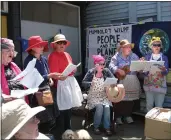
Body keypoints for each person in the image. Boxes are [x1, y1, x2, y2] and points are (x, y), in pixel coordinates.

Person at [24, 36, 60, 134]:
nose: (42, 47)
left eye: (42, 45)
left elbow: (47, 72)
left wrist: (51, 78)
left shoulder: (43, 59)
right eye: (39, 45)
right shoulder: (29, 60)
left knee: (52, 119)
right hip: (37, 95)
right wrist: (49, 76)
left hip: (47, 92)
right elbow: (32, 79)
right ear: (32, 48)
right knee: (42, 121)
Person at [48, 34, 83, 135]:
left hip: (69, 83)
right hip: (59, 85)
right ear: (55, 45)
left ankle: (68, 130)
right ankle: (62, 132)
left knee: (68, 108)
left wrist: (74, 69)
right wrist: (60, 77)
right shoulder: (52, 55)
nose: (62, 44)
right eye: (59, 43)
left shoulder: (67, 54)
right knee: (61, 111)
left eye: (63, 42)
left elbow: (70, 68)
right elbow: (53, 73)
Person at [109, 39, 141, 125]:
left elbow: (139, 66)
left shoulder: (134, 56)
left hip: (132, 79)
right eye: (127, 47)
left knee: (130, 100)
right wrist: (118, 70)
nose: (129, 49)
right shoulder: (116, 56)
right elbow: (111, 66)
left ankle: (127, 115)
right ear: (122, 48)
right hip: (122, 80)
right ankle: (118, 117)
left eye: (130, 47)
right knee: (120, 98)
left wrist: (140, 67)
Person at [82, 55, 114, 136]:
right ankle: (96, 126)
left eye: (103, 64)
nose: (102, 66)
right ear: (95, 64)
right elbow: (83, 83)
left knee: (107, 107)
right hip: (93, 96)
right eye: (100, 64)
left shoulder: (106, 71)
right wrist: (90, 83)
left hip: (104, 95)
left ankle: (107, 127)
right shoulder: (91, 72)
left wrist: (112, 84)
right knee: (99, 106)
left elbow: (113, 79)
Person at [141, 37, 169, 112]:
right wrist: (142, 65)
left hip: (160, 86)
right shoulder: (147, 57)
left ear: (161, 46)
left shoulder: (164, 57)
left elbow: (166, 72)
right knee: (149, 105)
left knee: (159, 106)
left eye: (158, 45)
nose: (156, 47)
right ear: (151, 46)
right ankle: (149, 123)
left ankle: (157, 123)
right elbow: (144, 72)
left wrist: (163, 70)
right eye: (154, 45)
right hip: (149, 85)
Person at [1, 38, 29, 103]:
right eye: (8, 51)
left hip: (19, 106)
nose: (11, 53)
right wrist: (2, 99)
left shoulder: (14, 66)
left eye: (13, 50)